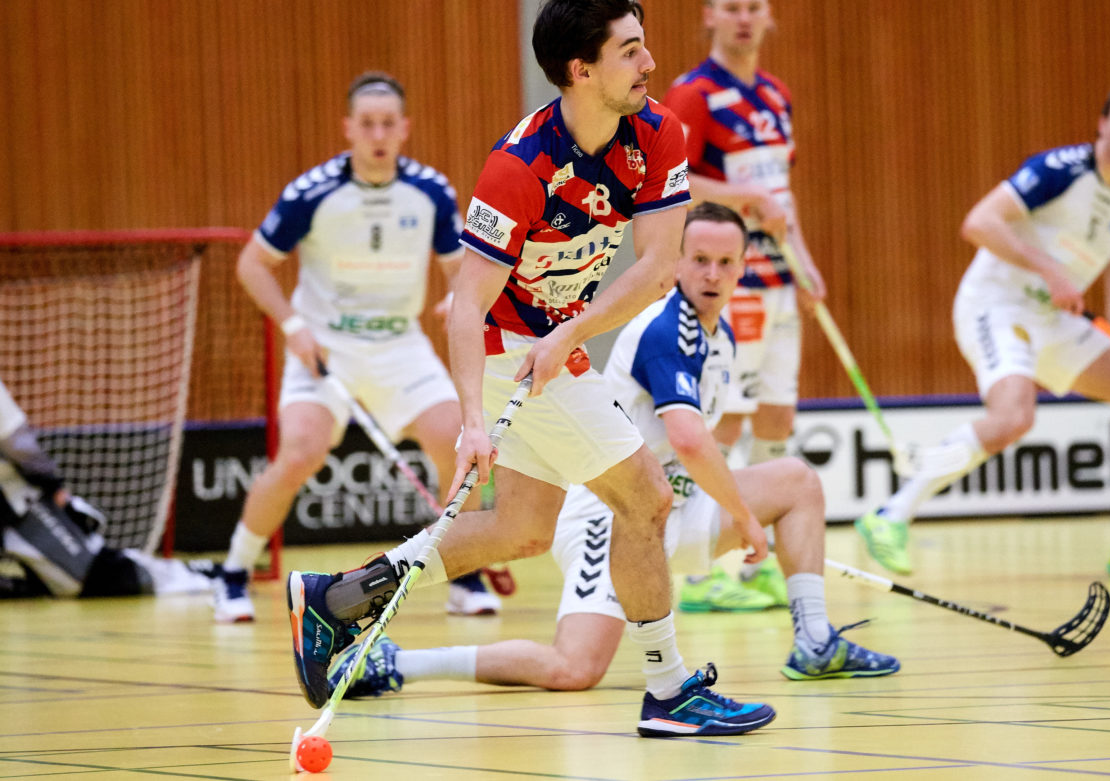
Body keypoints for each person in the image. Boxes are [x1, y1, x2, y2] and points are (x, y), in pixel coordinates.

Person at [285, 0, 778, 738]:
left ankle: (339, 597)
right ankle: (669, 689)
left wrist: (570, 335)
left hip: (555, 345)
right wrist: (472, 422)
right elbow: (465, 307)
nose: (650, 61)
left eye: (642, 41)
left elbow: (656, 266)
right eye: (630, 49)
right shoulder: (517, 168)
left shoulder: (658, 136)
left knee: (521, 527)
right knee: (645, 498)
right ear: (581, 70)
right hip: (508, 347)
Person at [325, 203, 899, 699]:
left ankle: (816, 640)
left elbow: (698, 448)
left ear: (743, 270)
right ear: (674, 262)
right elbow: (689, 440)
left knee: (796, 481)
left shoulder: (717, 335)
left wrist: (741, 513)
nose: (712, 274)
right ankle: (393, 661)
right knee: (574, 668)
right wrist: (746, 520)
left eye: (727, 263)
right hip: (609, 512)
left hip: (667, 507)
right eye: (699, 259)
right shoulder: (666, 331)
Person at [856, 82, 1110, 578]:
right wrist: (1048, 268)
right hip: (996, 307)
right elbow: (979, 222)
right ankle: (891, 514)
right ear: (1103, 124)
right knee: (1013, 417)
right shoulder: (1059, 171)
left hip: (1054, 322)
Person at [211, 71, 502, 622]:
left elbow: (457, 271)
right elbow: (253, 265)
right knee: (300, 450)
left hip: (399, 345)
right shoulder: (313, 192)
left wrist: (452, 300)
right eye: (367, 123)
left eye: (388, 123)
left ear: (404, 129)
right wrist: (292, 324)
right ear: (348, 128)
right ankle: (232, 572)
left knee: (455, 441)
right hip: (325, 346)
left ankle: (464, 573)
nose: (377, 134)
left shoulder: (431, 190)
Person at [661, 0, 823, 611]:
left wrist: (804, 261)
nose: (744, 18)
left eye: (754, 6)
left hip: (781, 278)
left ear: (769, 13)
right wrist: (740, 196)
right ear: (709, 16)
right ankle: (702, 568)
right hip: (732, 283)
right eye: (731, 7)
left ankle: (755, 560)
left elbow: (780, 199)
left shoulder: (777, 95)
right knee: (724, 417)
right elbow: (672, 183)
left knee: (778, 414)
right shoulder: (692, 94)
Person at [0, 377, 210, 598]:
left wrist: (54, 487)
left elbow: (18, 444)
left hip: (15, 507)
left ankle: (189, 574)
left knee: (91, 576)